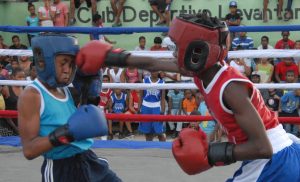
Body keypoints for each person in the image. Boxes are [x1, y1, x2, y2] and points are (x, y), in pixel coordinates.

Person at [75, 12, 300, 181]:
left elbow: (263, 147)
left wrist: (210, 154)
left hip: (273, 160)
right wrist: (112, 57)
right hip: (272, 156)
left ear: (196, 52)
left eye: (177, 47)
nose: (174, 53)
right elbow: (154, 63)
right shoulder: (202, 70)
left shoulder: (230, 88)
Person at [18, 34, 121, 181]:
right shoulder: (32, 95)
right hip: (61, 170)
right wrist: (65, 134)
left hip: (88, 160)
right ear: (44, 62)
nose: (68, 69)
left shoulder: (64, 89)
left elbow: (80, 123)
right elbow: (29, 150)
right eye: (63, 63)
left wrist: (89, 98)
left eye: (72, 63)